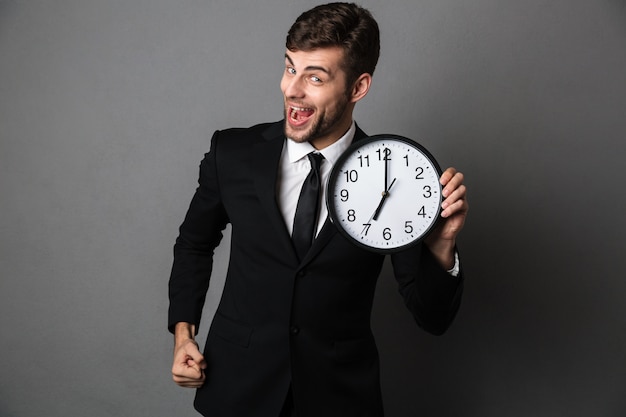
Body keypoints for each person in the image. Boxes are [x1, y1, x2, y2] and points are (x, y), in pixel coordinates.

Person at [168, 3, 468, 416]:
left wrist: (442, 247)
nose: (292, 89)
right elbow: (194, 245)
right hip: (238, 390)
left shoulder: (395, 175)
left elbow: (432, 317)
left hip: (339, 398)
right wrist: (183, 334)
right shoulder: (232, 154)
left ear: (358, 87)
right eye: (290, 68)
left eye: (315, 77)